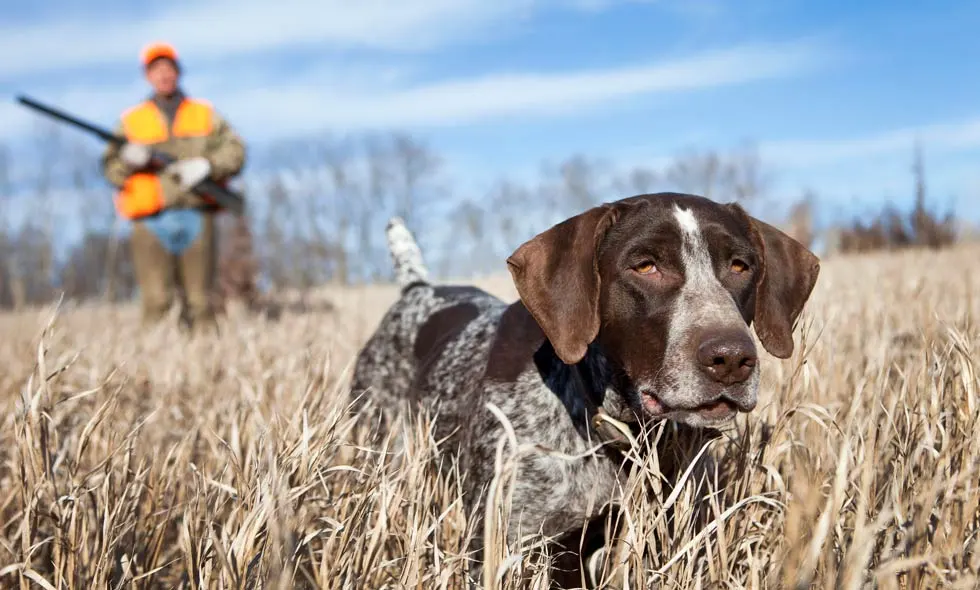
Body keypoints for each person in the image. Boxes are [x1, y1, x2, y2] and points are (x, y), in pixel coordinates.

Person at [100, 42, 246, 333]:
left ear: (178, 73)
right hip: (151, 220)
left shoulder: (205, 113)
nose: (164, 75)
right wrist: (129, 161)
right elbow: (110, 168)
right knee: (155, 303)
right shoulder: (131, 120)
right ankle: (150, 371)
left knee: (202, 302)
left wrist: (207, 165)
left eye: (168, 69)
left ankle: (207, 363)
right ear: (147, 76)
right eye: (156, 70)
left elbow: (236, 152)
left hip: (196, 213)